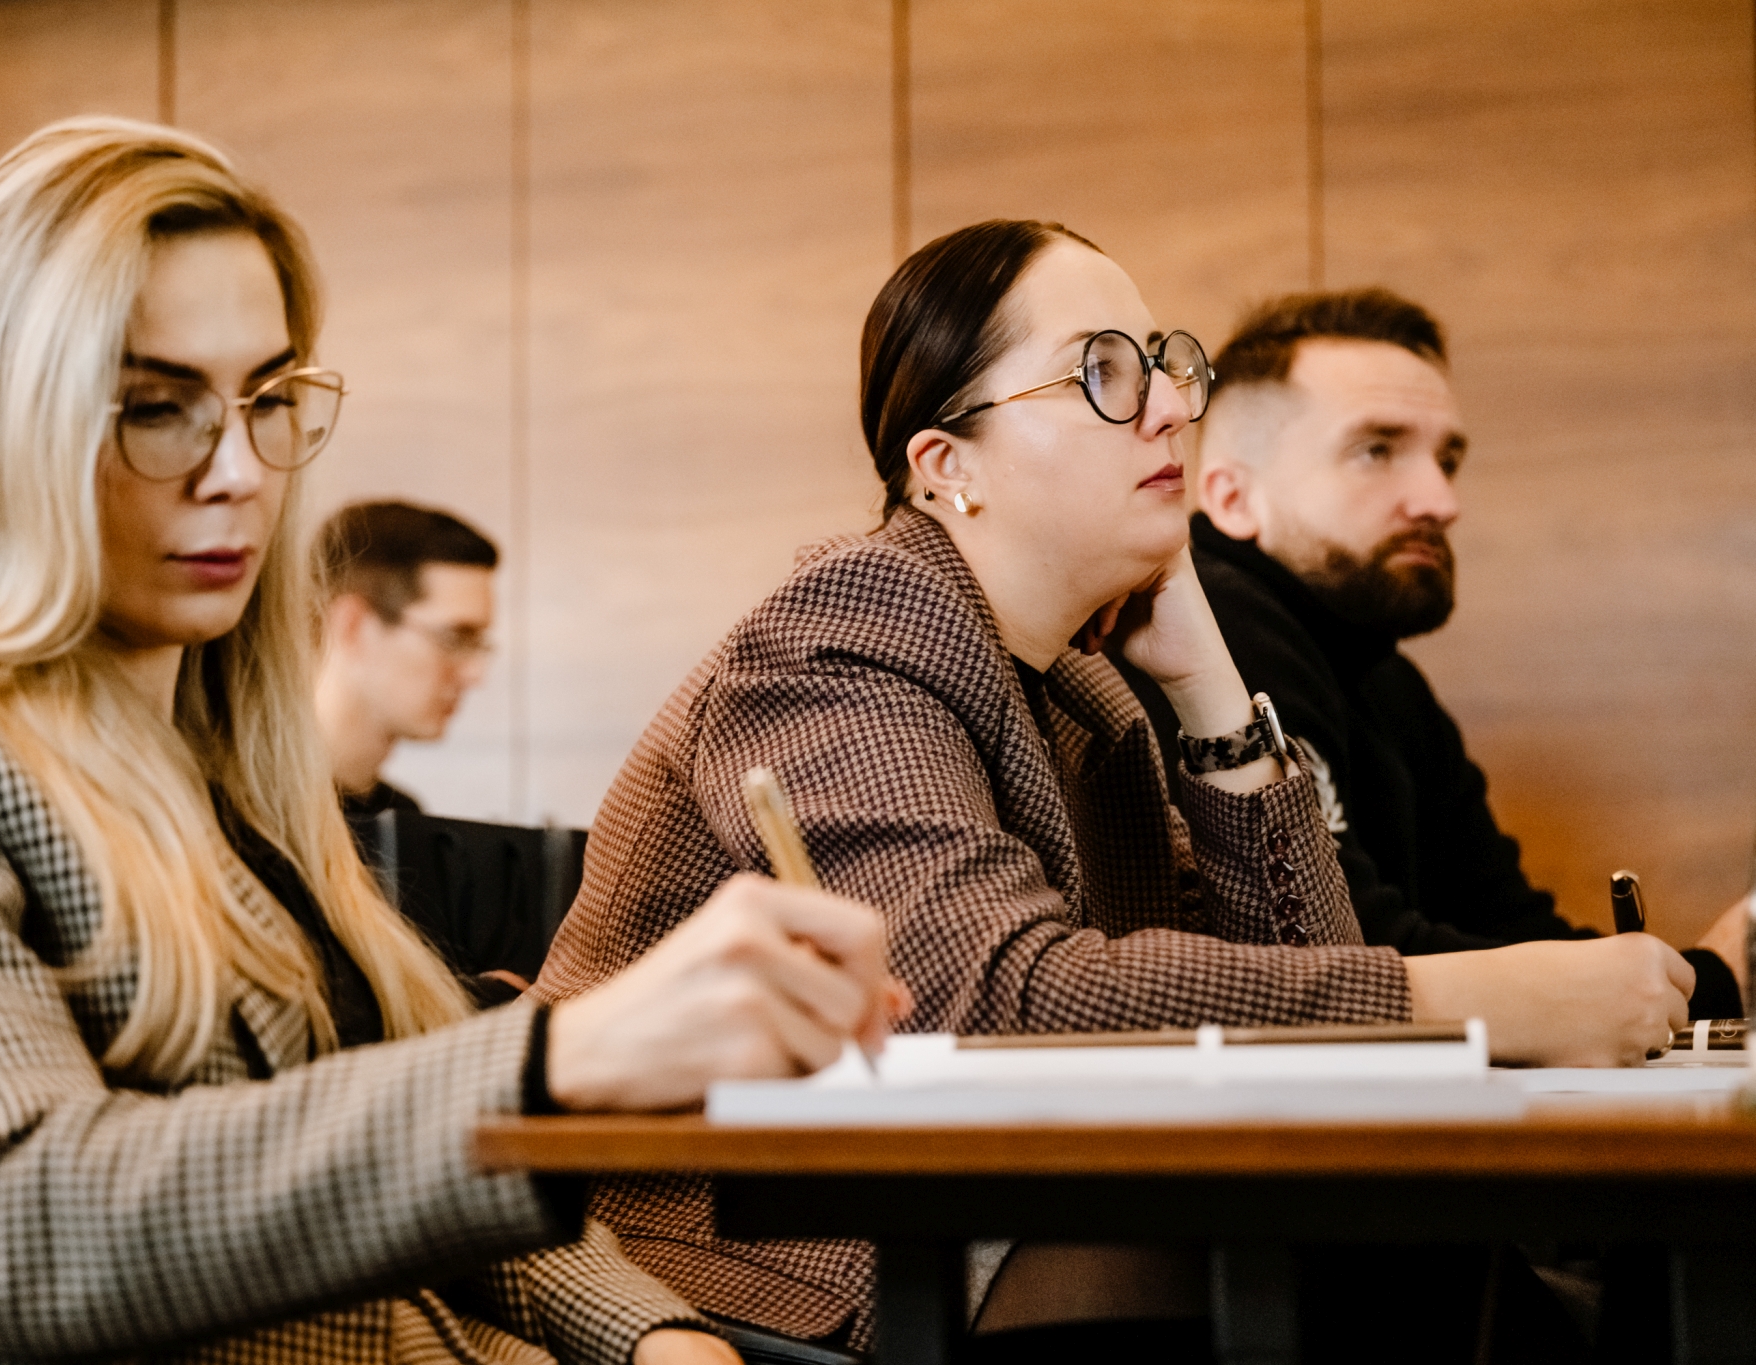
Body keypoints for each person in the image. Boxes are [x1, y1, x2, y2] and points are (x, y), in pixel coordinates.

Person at [0, 117, 902, 1364]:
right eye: (156, 408)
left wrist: (649, 1335)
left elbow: (430, 1161)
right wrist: (565, 1059)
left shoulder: (231, 766)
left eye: (268, 400)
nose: (239, 471)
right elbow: (17, 1225)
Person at [531, 220, 1693, 1353]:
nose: (1173, 405)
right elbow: (988, 1004)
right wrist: (1472, 1003)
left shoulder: (1082, 692)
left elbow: (1298, 987)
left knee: (1427, 1246)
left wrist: (1206, 690)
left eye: (1165, 363)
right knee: (1387, 1259)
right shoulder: (848, 625)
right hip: (748, 1254)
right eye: (1101, 372)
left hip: (978, 1201)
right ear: (948, 467)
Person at [1120, 288, 1743, 1018]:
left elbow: (1510, 929)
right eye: (1377, 450)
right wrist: (1718, 977)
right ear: (1232, 498)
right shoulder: (1215, 627)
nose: (1441, 501)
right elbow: (1353, 964)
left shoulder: (1388, 680)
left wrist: (1682, 984)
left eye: (1447, 459)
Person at [314, 500, 498, 825]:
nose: (475, 674)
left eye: (477, 644)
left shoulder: (403, 818)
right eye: (455, 638)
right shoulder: (242, 811)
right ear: (353, 626)